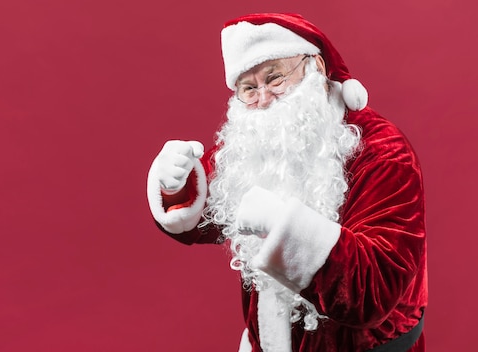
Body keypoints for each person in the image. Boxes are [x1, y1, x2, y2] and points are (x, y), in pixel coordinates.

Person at [146, 13, 427, 352]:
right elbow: (201, 217)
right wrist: (178, 185)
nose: (263, 99)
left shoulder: (384, 153)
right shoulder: (255, 140)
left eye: (275, 78)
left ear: (317, 69)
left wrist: (285, 227)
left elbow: (374, 291)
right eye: (249, 89)